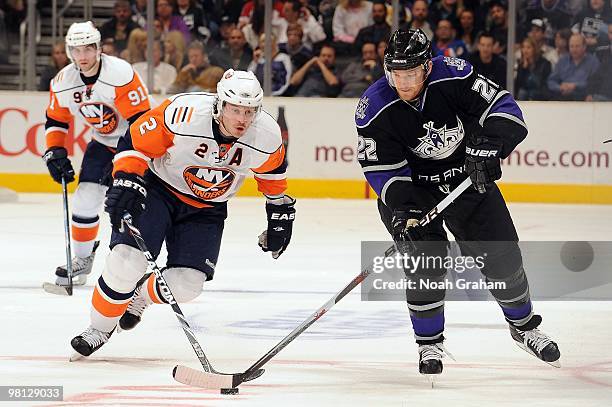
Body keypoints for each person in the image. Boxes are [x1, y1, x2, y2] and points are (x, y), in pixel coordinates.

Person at [354, 29, 560, 377]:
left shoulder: (455, 74)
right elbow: (381, 167)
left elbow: (503, 107)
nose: (403, 83)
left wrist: (490, 147)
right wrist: (404, 212)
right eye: (396, 74)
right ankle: (429, 343)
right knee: (425, 263)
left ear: (427, 67)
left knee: (502, 255)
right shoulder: (373, 106)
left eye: (411, 74)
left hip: (467, 180)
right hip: (413, 193)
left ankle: (524, 327)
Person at [70, 69, 296, 357]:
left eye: (249, 111)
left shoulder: (266, 134)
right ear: (220, 104)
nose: (242, 119)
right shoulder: (183, 112)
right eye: (236, 109)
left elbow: (272, 175)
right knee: (126, 263)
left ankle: (140, 297)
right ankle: (99, 329)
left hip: (207, 209)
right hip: (159, 191)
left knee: (188, 285)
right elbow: (135, 141)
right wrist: (127, 177)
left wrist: (279, 212)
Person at [42, 21, 151, 288]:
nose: (83, 57)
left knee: (134, 204)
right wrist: (55, 150)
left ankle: (141, 263)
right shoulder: (63, 81)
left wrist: (133, 159)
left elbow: (140, 122)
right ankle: (81, 259)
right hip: (103, 142)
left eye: (88, 49)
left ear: (99, 48)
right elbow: (56, 119)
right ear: (69, 52)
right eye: (76, 50)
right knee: (85, 198)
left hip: (138, 142)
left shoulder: (119, 73)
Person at [547, 33, 600, 101]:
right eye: (571, 46)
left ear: (584, 47)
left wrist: (574, 86)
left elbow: (595, 84)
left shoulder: (593, 62)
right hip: (562, 97)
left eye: (577, 46)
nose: (574, 49)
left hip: (582, 98)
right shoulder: (563, 60)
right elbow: (551, 81)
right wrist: (560, 88)